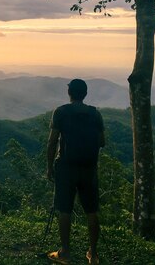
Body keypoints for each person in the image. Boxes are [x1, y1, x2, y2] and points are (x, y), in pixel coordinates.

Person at [46, 79, 105, 265]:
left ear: (69, 93)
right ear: (85, 94)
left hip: (66, 167)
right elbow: (102, 141)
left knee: (65, 209)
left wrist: (49, 166)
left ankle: (65, 252)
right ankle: (93, 255)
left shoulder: (61, 112)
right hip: (89, 167)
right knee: (92, 211)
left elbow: (52, 141)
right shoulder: (95, 114)